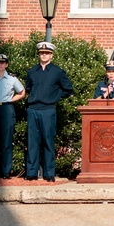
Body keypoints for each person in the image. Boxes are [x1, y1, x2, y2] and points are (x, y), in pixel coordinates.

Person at [25, 41, 75, 182]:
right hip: (33, 109)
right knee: (33, 142)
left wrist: (55, 97)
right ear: (39, 54)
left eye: (46, 53)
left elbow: (68, 89)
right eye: (42, 53)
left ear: (51, 55)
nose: (44, 55)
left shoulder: (57, 72)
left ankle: (49, 173)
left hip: (48, 110)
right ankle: (32, 173)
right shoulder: (32, 71)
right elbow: (28, 88)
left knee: (48, 141)